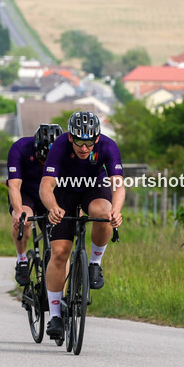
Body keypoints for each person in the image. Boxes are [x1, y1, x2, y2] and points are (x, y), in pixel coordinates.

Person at [39, 110, 125, 340]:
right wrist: (52, 207)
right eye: (78, 142)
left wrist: (116, 211)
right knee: (59, 253)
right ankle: (55, 315)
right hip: (65, 191)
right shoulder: (59, 145)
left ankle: (95, 262)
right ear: (70, 137)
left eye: (88, 143)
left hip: (93, 187)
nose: (84, 148)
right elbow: (46, 186)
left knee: (103, 213)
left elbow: (118, 185)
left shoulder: (108, 146)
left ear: (97, 138)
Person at [7, 123, 62, 286]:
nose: (45, 165)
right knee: (25, 219)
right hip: (26, 193)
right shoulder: (20, 148)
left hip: (52, 193)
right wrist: (18, 212)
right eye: (42, 159)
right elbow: (14, 185)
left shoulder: (67, 152)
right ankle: (22, 260)